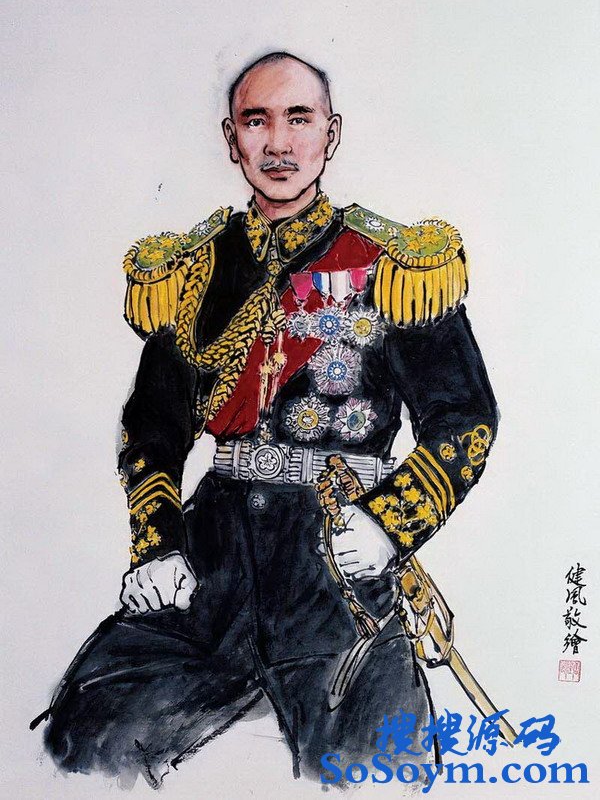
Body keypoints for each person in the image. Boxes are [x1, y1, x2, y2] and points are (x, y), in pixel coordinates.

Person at [34, 51, 498, 786]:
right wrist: (157, 547)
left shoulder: (397, 264)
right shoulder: (194, 268)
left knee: (376, 771)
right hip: (211, 561)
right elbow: (152, 428)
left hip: (338, 564)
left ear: (331, 134)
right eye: (257, 122)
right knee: (81, 735)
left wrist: (389, 525)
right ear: (232, 139)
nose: (278, 143)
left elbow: (465, 420)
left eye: (298, 119)